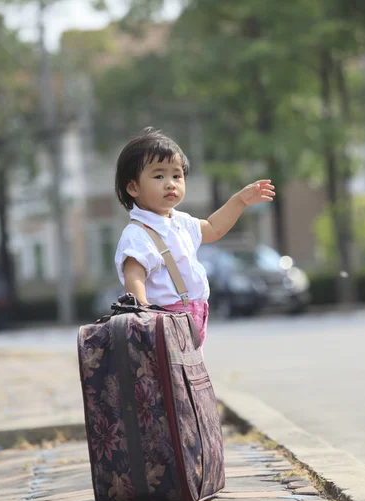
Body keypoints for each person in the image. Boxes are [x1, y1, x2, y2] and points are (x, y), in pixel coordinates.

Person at [114, 127, 275, 345]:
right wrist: (145, 315)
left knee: (186, 373)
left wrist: (239, 201)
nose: (170, 183)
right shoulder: (138, 234)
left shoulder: (180, 222)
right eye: (159, 175)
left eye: (176, 175)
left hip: (193, 315)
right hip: (162, 319)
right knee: (167, 375)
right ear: (133, 187)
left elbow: (212, 227)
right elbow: (134, 276)